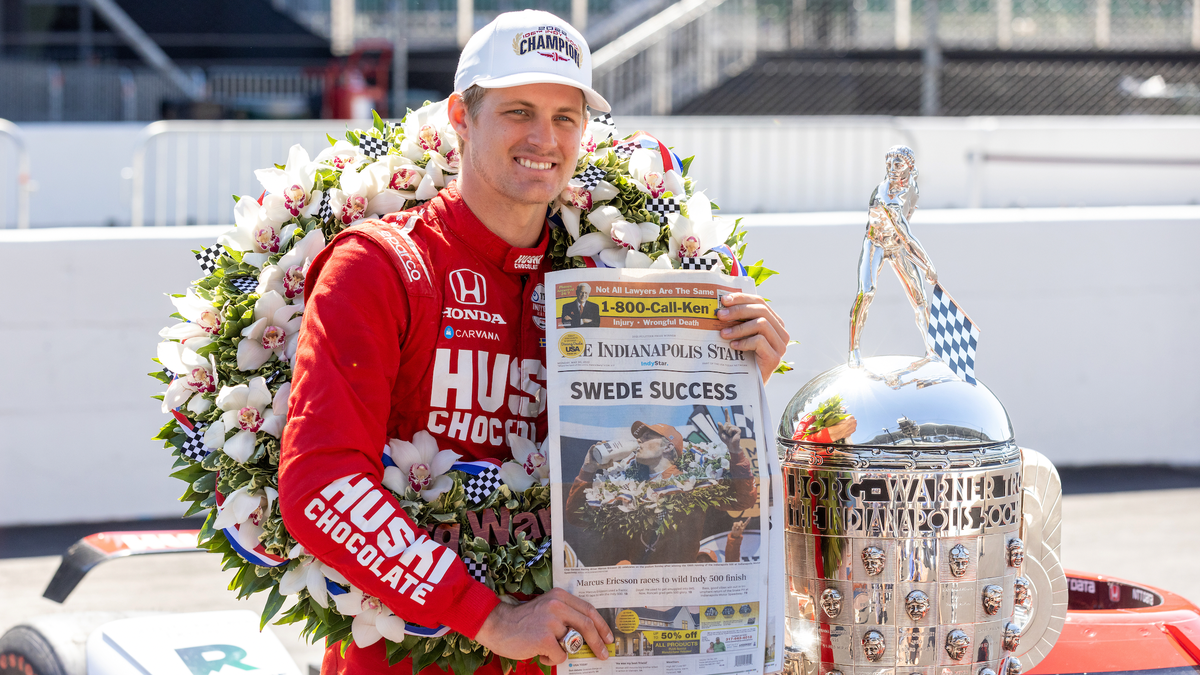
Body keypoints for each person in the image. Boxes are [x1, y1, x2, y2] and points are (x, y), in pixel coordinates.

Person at [278, 9, 790, 675]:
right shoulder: (378, 266)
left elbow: (659, 469)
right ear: (461, 118)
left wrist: (734, 374)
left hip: (581, 658)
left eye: (565, 117)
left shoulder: (608, 278)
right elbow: (319, 483)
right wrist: (491, 617)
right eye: (518, 111)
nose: (543, 138)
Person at [565, 420, 757, 565]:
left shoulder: (695, 483)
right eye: (640, 437)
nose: (639, 440)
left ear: (668, 446)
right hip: (638, 590)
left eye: (648, 437)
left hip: (681, 587)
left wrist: (735, 451)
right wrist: (588, 469)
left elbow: (743, 500)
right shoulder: (624, 488)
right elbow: (577, 517)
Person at [847, 145, 937, 368]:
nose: (892, 169)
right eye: (889, 164)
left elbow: (908, 219)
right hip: (875, 242)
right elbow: (906, 234)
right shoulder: (885, 195)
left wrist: (915, 259)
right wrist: (928, 265)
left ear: (909, 166)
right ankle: (854, 350)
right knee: (866, 292)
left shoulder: (913, 188)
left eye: (898, 164)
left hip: (896, 245)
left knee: (920, 298)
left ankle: (932, 350)